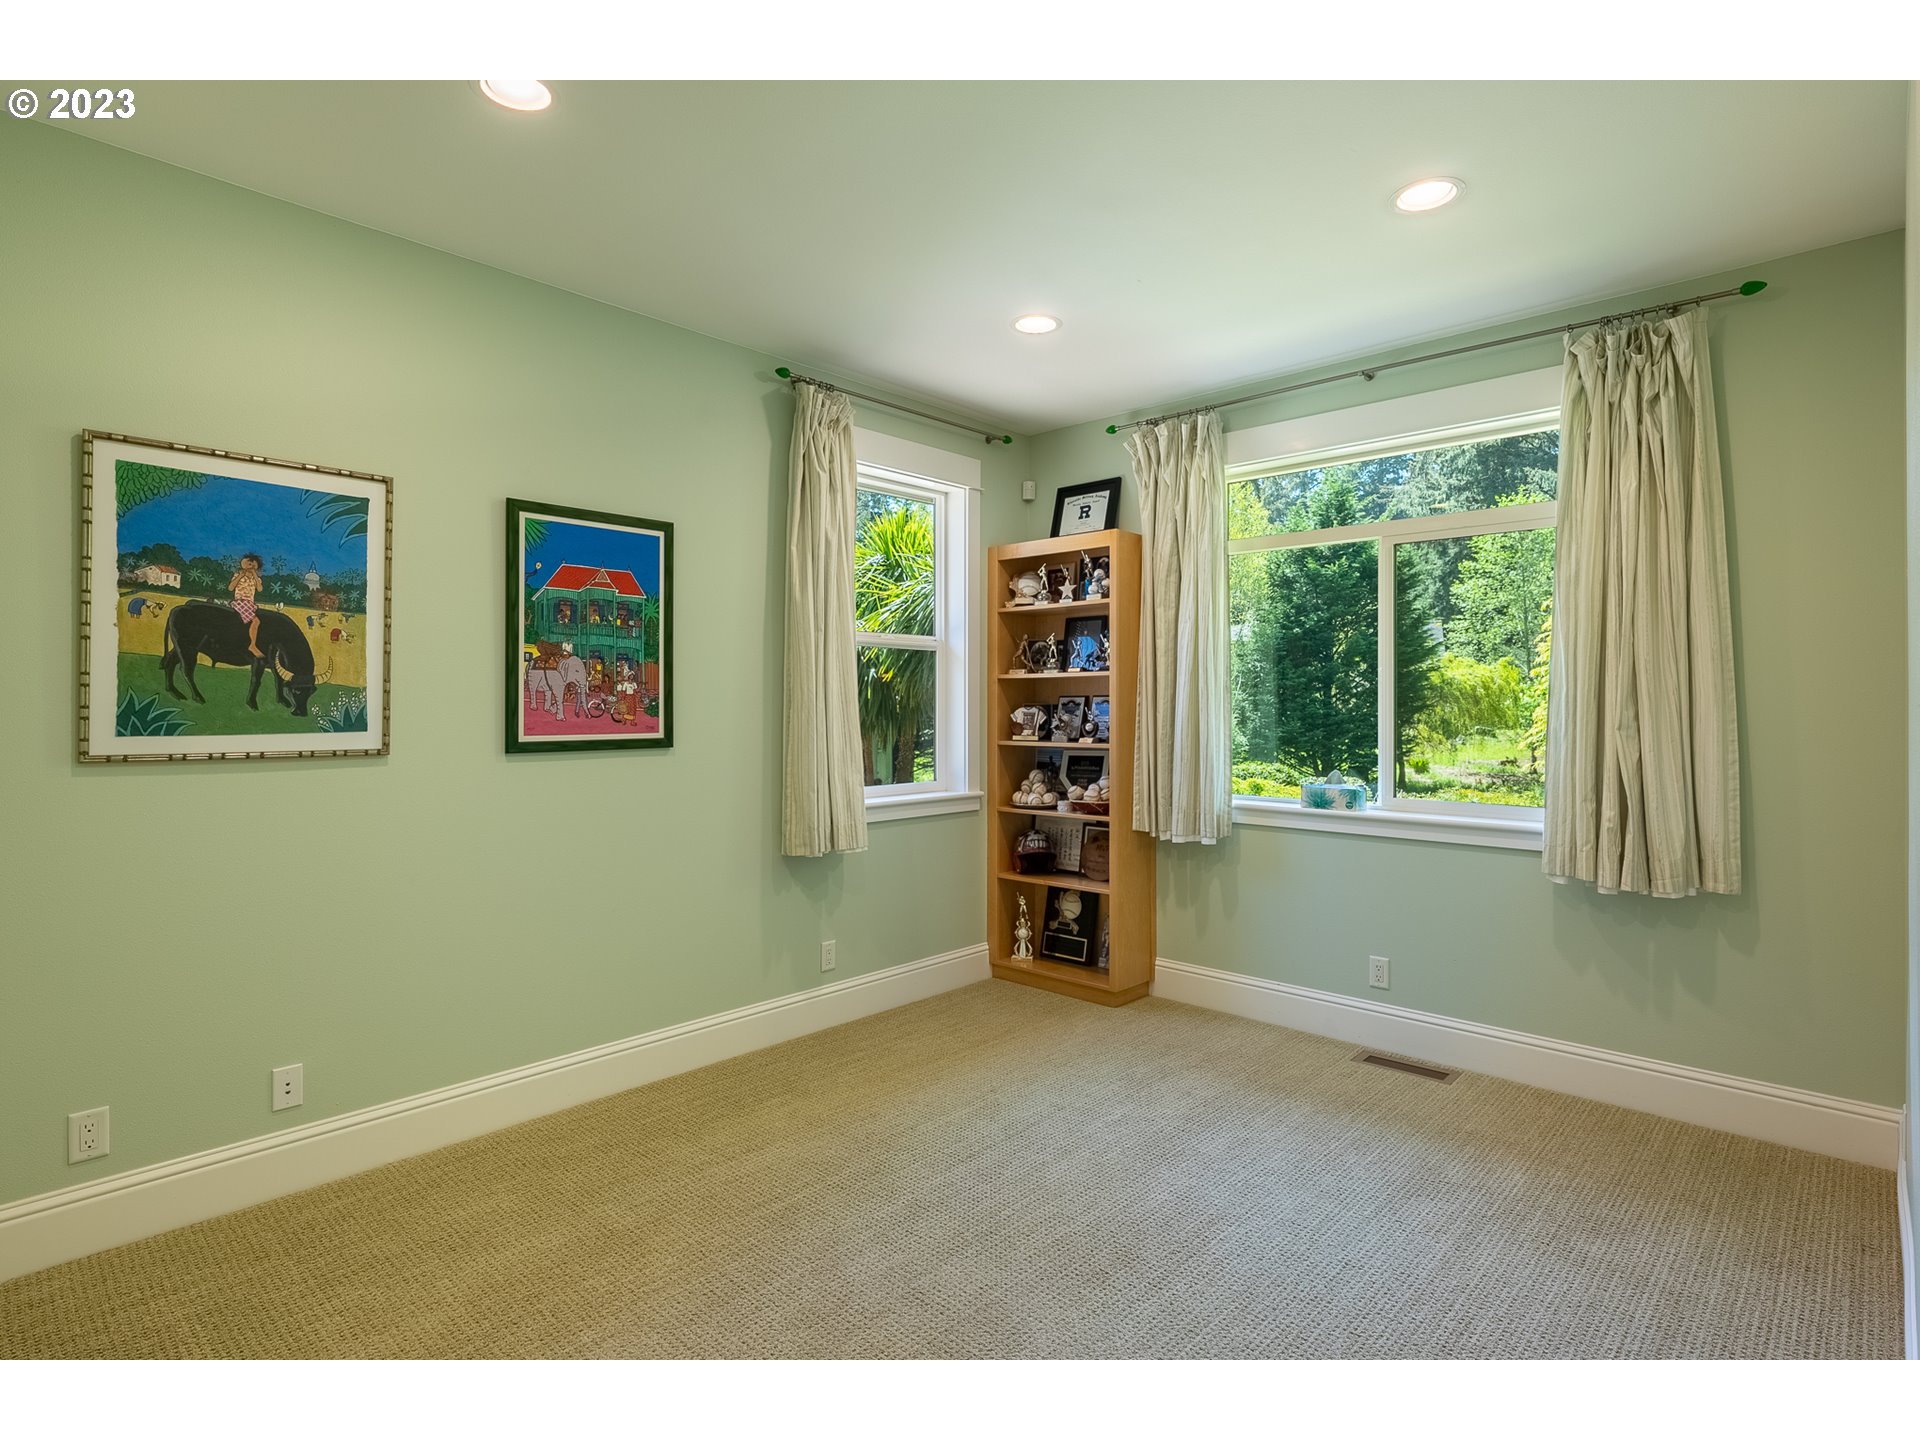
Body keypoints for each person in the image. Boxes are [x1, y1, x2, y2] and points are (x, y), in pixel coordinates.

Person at [228, 553, 265, 657]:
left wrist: (254, 575)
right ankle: (252, 645)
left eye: (253, 565)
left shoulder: (255, 578)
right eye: (249, 564)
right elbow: (230, 588)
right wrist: (240, 575)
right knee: (256, 621)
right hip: (240, 602)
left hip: (249, 604)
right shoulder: (238, 575)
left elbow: (260, 589)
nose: (251, 566)